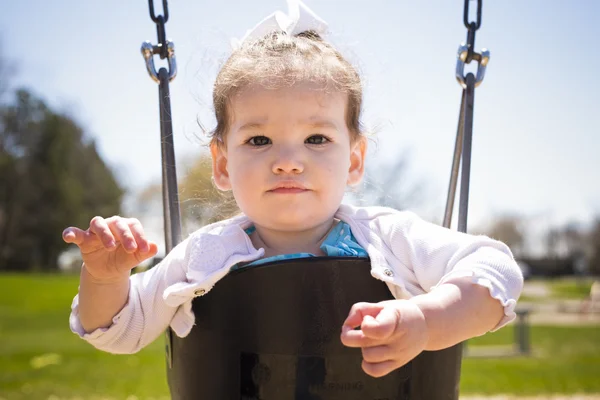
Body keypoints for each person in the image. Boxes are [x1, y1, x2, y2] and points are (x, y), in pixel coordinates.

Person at [63, 0, 523, 378]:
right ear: (222, 163)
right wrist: (105, 278)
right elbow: (117, 329)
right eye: (258, 140)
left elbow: (495, 272)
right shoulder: (202, 255)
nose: (287, 160)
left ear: (355, 160)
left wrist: (428, 321)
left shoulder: (390, 237)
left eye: (317, 139)